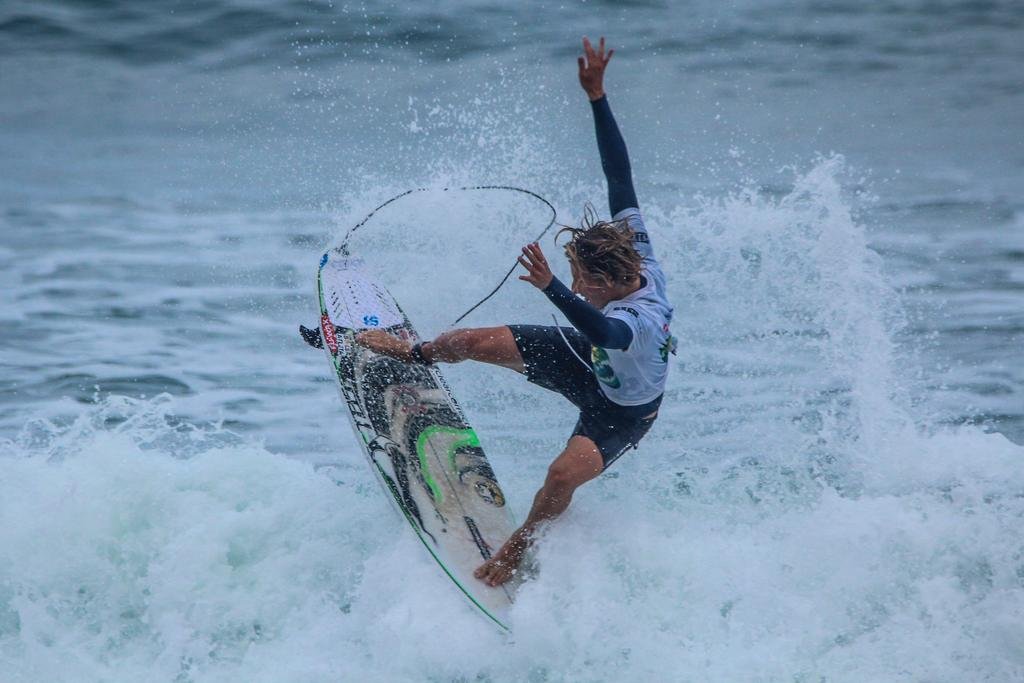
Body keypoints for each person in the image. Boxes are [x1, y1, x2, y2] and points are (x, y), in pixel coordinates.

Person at [356, 36, 675, 587]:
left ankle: (518, 549)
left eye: (580, 279)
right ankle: (416, 352)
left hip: (623, 411)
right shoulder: (635, 248)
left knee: (561, 476)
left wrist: (553, 287)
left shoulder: (641, 319)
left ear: (602, 282)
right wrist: (597, 98)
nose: (575, 282)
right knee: (469, 342)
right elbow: (619, 175)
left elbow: (605, 329)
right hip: (586, 356)